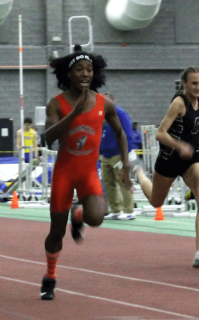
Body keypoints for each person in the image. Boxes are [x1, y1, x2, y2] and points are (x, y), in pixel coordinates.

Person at [39, 45, 133, 300]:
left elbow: (120, 132)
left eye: (89, 69)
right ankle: (50, 276)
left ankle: (78, 213)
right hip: (64, 174)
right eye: (79, 69)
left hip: (88, 173)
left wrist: (125, 165)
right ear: (68, 74)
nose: (85, 74)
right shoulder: (56, 104)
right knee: (56, 233)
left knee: (96, 218)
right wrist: (75, 113)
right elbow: (48, 138)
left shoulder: (104, 103)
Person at [133, 66, 199, 268]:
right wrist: (180, 146)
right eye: (194, 83)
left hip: (191, 158)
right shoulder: (179, 104)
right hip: (170, 157)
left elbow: (196, 122)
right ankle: (139, 173)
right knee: (156, 202)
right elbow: (160, 133)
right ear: (185, 84)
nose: (198, 87)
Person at [100, 93, 135, 220]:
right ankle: (115, 209)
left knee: (123, 180)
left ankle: (129, 210)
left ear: (112, 102)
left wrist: (125, 156)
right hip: (105, 155)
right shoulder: (102, 115)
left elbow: (128, 134)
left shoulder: (120, 113)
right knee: (108, 183)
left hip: (118, 154)